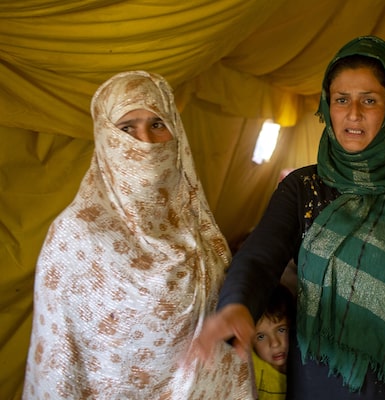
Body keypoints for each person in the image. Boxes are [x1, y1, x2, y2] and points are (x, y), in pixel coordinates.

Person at [193, 36, 385, 399]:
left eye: (369, 100)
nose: (353, 113)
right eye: (342, 100)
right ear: (328, 106)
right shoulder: (303, 189)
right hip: (327, 383)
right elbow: (260, 258)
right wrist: (237, 304)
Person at [22, 71, 253, 399]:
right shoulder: (75, 236)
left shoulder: (196, 225)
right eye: (126, 128)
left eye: (157, 124)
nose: (144, 140)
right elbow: (56, 365)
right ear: (105, 138)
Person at [251, 284, 295, 400]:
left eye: (281, 330)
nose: (275, 343)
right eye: (261, 337)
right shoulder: (250, 368)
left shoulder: (307, 367)